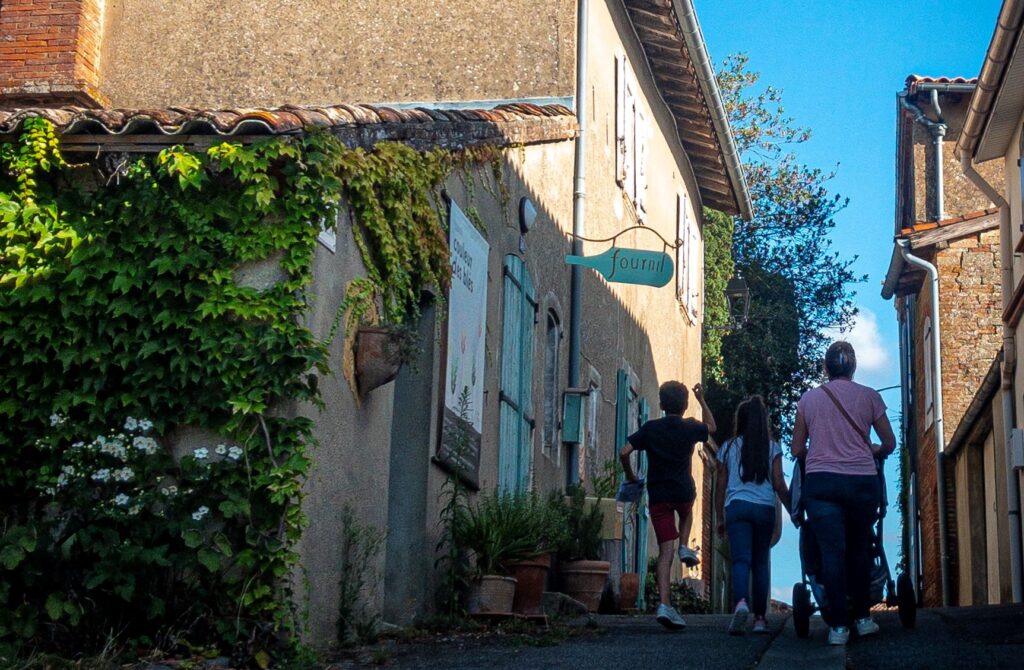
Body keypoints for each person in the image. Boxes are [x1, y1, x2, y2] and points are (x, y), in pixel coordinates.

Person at [791, 341, 896, 646]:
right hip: (862, 483)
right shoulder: (870, 397)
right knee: (859, 548)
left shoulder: (808, 401)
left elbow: (797, 449)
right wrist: (871, 448)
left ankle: (838, 627)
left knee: (831, 553)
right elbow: (888, 442)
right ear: (853, 367)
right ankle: (863, 619)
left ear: (826, 367)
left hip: (822, 484)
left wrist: (821, 450)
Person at [620, 381, 716, 630]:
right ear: (685, 405)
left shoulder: (651, 428)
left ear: (661, 405)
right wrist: (702, 399)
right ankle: (685, 545)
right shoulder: (690, 427)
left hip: (658, 496)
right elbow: (712, 427)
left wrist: (631, 476)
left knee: (665, 553)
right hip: (682, 491)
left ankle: (664, 604)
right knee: (688, 508)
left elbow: (624, 451)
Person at [715, 396, 791, 635]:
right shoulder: (773, 447)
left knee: (740, 560)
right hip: (764, 509)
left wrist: (720, 517)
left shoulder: (728, 447)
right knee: (760, 563)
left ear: (742, 420)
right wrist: (793, 511)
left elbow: (721, 485)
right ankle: (759, 619)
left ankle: (741, 603)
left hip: (737, 507)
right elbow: (779, 483)